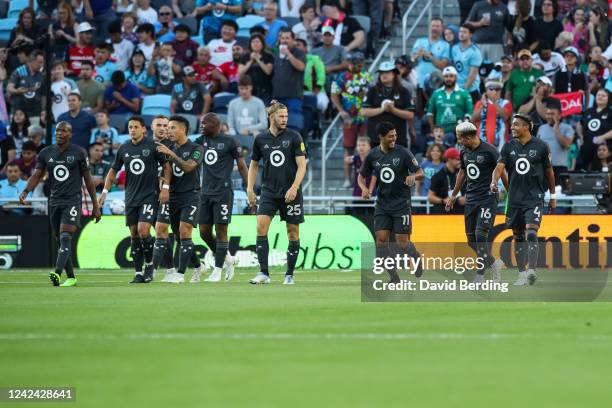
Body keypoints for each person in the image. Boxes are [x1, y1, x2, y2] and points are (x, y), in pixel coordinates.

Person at [19, 122, 101, 287]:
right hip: (54, 201)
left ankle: (56, 272)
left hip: (72, 200)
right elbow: (37, 175)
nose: (59, 133)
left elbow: (88, 180)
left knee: (65, 236)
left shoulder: (78, 153)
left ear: (70, 134)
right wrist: (26, 191)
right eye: (57, 131)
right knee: (60, 240)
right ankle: (71, 277)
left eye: (63, 131)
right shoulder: (46, 153)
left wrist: (95, 205)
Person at [98, 116, 171, 283]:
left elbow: (167, 167)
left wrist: (165, 188)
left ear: (143, 129)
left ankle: (150, 264)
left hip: (148, 196)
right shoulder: (124, 148)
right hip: (130, 197)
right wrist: (104, 191)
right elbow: (113, 170)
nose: (132, 130)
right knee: (134, 234)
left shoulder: (153, 146)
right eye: (130, 127)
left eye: (135, 127)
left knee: (143, 230)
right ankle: (138, 273)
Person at [491, 113, 556, 286]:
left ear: (526, 127)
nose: (512, 127)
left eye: (516, 125)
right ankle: (521, 273)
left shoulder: (541, 146)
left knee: (532, 232)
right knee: (518, 237)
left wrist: (553, 195)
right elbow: (499, 168)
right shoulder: (508, 146)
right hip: (514, 199)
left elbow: (549, 173)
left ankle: (531, 271)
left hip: (534, 198)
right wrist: (493, 181)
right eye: (512, 125)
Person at [247, 101, 307, 285]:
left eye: (286, 116)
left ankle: (289, 274)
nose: (285, 119)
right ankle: (264, 273)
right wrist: (250, 189)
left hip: (291, 193)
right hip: (269, 192)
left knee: (293, 233)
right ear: (271, 117)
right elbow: (254, 165)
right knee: (260, 227)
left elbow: (302, 165)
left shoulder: (294, 137)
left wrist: (294, 187)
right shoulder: (260, 139)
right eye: (281, 116)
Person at [358, 121, 424, 282]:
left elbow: (420, 172)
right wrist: (364, 189)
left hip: (401, 204)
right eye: (390, 136)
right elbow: (361, 176)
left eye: (395, 135)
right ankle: (393, 276)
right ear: (381, 137)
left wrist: (413, 176)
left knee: (402, 243)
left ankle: (415, 258)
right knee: (381, 241)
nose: (394, 138)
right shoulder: (373, 155)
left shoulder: (403, 153)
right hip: (382, 204)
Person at [447, 122, 505, 282]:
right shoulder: (464, 151)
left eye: (460, 138)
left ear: (469, 136)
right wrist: (453, 194)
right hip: (471, 199)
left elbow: (501, 170)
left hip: (487, 198)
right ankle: (494, 263)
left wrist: (508, 190)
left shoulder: (490, 151)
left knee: (480, 235)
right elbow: (462, 172)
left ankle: (480, 275)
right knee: (471, 241)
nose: (459, 141)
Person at [193, 113, 248, 282]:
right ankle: (227, 259)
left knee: (221, 231)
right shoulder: (199, 141)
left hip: (223, 193)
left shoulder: (230, 141)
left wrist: (249, 187)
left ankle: (217, 270)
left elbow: (241, 165)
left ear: (215, 125)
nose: (201, 126)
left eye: (204, 123)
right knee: (203, 232)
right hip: (205, 193)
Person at [154, 115, 205, 283]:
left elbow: (189, 167)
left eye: (173, 127)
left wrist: (171, 154)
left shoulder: (196, 148)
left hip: (191, 195)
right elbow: (166, 170)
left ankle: (180, 274)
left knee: (184, 231)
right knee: (177, 236)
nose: (169, 131)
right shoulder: (168, 146)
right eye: (168, 128)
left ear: (184, 129)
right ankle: (198, 266)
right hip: (173, 197)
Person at [331, 52, 373, 187]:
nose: (361, 66)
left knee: (365, 147)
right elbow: (334, 94)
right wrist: (341, 110)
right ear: (351, 64)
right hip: (349, 118)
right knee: (349, 148)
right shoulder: (342, 77)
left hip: (364, 116)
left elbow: (372, 92)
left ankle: (365, 177)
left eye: (362, 63)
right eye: (358, 64)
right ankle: (348, 179)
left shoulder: (366, 76)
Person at [149, 115, 181, 281]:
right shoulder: (147, 145)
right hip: (150, 194)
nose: (162, 128)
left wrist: (165, 184)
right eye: (159, 125)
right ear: (151, 126)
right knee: (162, 231)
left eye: (165, 125)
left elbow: (175, 169)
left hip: (170, 194)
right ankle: (174, 269)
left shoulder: (173, 146)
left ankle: (152, 269)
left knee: (161, 230)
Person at [362, 61, 414, 147]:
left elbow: (410, 115)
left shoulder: (404, 91)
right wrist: (382, 109)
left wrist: (393, 110)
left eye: (387, 72)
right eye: (381, 72)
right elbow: (364, 112)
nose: (383, 75)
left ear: (394, 74)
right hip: (375, 139)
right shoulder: (372, 91)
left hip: (397, 139)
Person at [426, 66, 473, 145]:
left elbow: (469, 112)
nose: (448, 79)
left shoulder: (464, 94)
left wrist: (463, 126)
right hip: (440, 133)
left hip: (458, 134)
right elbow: (430, 113)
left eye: (451, 76)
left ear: (456, 77)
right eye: (446, 76)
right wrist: (433, 129)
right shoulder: (436, 94)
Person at [411, 18, 450, 111]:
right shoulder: (420, 41)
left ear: (442, 28)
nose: (434, 28)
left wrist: (430, 57)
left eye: (437, 26)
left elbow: (443, 66)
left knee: (435, 112)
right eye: (433, 26)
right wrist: (417, 55)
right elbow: (412, 61)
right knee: (419, 113)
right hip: (419, 84)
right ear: (429, 27)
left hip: (436, 85)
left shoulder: (445, 45)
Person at [536, 104, 574, 184]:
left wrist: (556, 130)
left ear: (560, 116)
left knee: (559, 195)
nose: (549, 116)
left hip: (560, 168)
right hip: (544, 167)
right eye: (547, 114)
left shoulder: (567, 128)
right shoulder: (541, 128)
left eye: (552, 114)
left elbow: (567, 144)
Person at [272, 29, 306, 114]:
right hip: (277, 96)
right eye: (282, 38)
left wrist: (288, 54)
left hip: (293, 96)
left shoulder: (299, 53)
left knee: (293, 124)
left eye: (287, 38)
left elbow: (301, 67)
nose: (284, 40)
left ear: (293, 40)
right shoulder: (276, 53)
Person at [471, 78, 513, 148]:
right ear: (486, 91)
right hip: (482, 144)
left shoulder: (506, 103)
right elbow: (473, 119)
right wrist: (482, 105)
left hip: (501, 144)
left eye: (497, 89)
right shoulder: (480, 103)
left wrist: (494, 101)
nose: (494, 91)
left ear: (501, 91)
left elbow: (505, 118)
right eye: (491, 89)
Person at [577, 89, 612, 169]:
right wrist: (580, 136)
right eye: (598, 95)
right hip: (586, 151)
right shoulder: (588, 111)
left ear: (608, 98)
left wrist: (603, 137)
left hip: (604, 153)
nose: (600, 97)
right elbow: (579, 124)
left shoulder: (610, 112)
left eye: (603, 96)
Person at [7, 50, 45, 121]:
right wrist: (17, 91)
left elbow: (43, 95)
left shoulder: (41, 76)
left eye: (42, 62)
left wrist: (43, 109)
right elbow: (9, 88)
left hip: (35, 113)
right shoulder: (20, 71)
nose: (41, 65)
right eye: (39, 62)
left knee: (35, 132)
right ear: (32, 61)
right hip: (18, 112)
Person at [238, 34, 275, 104]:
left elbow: (268, 71)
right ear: (250, 44)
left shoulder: (268, 56)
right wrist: (251, 61)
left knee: (264, 112)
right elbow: (240, 73)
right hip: (249, 91)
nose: (255, 44)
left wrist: (258, 60)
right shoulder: (245, 57)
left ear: (262, 44)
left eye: (257, 42)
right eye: (253, 42)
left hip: (265, 90)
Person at [451, 24, 483, 101]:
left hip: (470, 90)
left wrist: (464, 91)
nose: (461, 34)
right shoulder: (454, 48)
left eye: (464, 32)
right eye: (460, 31)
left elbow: (472, 75)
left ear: (471, 35)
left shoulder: (474, 51)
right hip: (457, 87)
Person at [428, 147, 464, 214]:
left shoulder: (461, 173)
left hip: (460, 213)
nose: (460, 162)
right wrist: (443, 200)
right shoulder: (438, 176)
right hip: (443, 214)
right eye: (457, 159)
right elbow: (430, 197)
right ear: (449, 159)